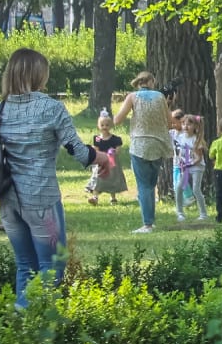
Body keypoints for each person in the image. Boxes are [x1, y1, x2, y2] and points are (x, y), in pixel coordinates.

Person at [0, 49, 110, 309]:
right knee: (52, 265)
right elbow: (78, 151)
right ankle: (38, 324)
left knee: (25, 265)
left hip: (8, 200)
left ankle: (21, 321)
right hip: (41, 198)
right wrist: (101, 158)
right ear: (38, 74)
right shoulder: (51, 108)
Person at [111, 72, 175, 234]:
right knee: (151, 185)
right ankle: (150, 221)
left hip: (140, 145)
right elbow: (169, 122)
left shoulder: (133, 97)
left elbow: (117, 120)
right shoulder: (160, 97)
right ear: (151, 81)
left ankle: (147, 224)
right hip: (159, 145)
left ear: (139, 82)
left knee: (144, 186)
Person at [86, 113, 128, 206]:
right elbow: (96, 150)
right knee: (98, 178)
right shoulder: (97, 138)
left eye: (107, 125)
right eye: (102, 125)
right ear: (98, 126)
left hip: (112, 162)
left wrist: (112, 152)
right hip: (100, 162)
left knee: (112, 179)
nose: (104, 127)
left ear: (111, 126)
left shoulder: (115, 139)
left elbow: (118, 151)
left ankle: (113, 198)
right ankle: (95, 197)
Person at [175, 115, 208, 221]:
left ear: (195, 126)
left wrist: (189, 164)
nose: (185, 126)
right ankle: (180, 213)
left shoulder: (196, 140)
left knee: (195, 189)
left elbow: (198, 158)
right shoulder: (181, 137)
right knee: (179, 187)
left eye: (189, 124)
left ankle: (203, 214)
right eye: (184, 123)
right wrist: (181, 161)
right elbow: (180, 152)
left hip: (197, 167)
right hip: (186, 167)